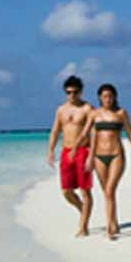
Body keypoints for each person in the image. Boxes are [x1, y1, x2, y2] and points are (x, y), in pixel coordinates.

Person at [88, 82, 131, 239]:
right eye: (104, 96)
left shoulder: (121, 113)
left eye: (110, 96)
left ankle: (109, 230)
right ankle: (114, 222)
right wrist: (90, 157)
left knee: (110, 190)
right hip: (99, 156)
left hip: (116, 155)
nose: (108, 99)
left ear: (115, 97)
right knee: (107, 193)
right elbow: (92, 136)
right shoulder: (95, 114)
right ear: (100, 98)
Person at [46, 75, 96, 237]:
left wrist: (92, 155)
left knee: (85, 190)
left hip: (83, 151)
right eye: (68, 92)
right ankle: (83, 209)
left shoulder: (87, 109)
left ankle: (83, 227)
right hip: (66, 152)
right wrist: (51, 151)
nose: (71, 96)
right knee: (66, 191)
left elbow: (94, 133)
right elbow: (55, 131)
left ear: (81, 92)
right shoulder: (61, 110)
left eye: (75, 92)